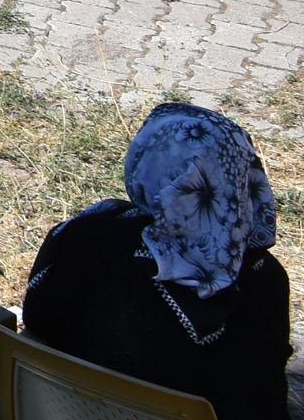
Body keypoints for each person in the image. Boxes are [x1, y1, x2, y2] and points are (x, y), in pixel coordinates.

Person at [22, 103, 288, 420]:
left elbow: (37, 320)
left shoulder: (84, 234)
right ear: (242, 176)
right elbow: (264, 401)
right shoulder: (261, 280)